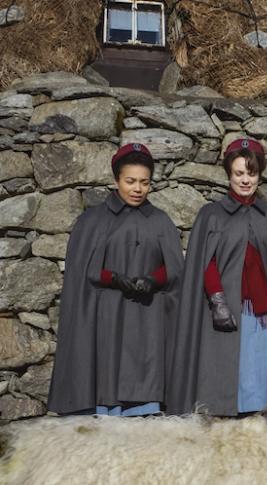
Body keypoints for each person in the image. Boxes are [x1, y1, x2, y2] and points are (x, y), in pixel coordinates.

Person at [167, 138, 267, 416]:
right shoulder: (211, 216)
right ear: (229, 174)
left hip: (262, 316)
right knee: (227, 371)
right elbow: (207, 262)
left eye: (251, 174)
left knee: (261, 377)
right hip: (227, 311)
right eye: (239, 173)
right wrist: (217, 299)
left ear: (260, 175)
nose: (245, 180)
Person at [48, 143, 184, 416]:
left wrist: (152, 279)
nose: (137, 189)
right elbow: (83, 271)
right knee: (107, 364)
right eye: (130, 181)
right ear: (116, 180)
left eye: (144, 182)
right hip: (105, 314)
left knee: (143, 367)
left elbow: (174, 268)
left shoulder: (160, 221)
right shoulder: (93, 221)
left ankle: (143, 412)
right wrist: (114, 278)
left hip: (146, 317)